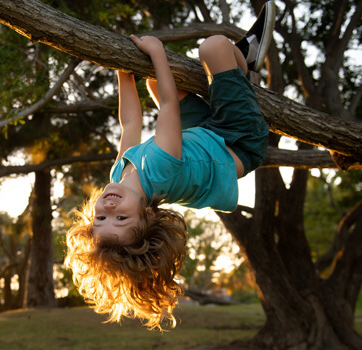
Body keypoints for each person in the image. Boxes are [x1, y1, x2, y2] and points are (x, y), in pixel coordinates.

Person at [65, 1, 277, 330]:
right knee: (214, 47)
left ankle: (231, 81)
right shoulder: (160, 172)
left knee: (152, 82)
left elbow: (130, 122)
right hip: (239, 141)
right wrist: (157, 52)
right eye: (120, 218)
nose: (108, 206)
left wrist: (124, 72)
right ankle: (246, 65)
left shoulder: (119, 176)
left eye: (101, 218)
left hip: (203, 134)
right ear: (148, 213)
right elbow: (167, 107)